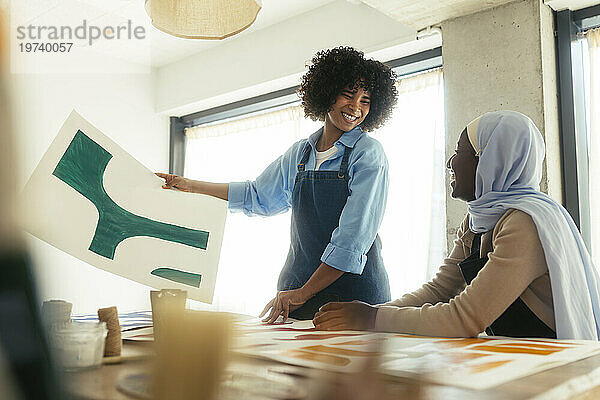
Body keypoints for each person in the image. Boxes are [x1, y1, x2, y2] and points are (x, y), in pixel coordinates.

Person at [157, 46, 398, 322]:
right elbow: (256, 196)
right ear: (327, 92)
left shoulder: (368, 154)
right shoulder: (300, 154)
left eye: (365, 100)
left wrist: (302, 293)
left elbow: (351, 242)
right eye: (348, 94)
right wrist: (191, 186)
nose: (356, 107)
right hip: (299, 291)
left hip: (352, 297)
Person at [314, 110, 600, 340]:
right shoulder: (478, 221)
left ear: (488, 161)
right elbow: (440, 289)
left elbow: (464, 318)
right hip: (517, 352)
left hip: (554, 363)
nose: (450, 162)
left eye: (460, 151)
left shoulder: (525, 223)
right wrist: (368, 312)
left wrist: (371, 319)